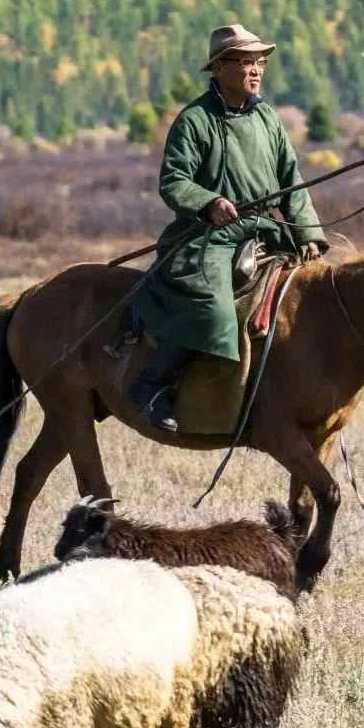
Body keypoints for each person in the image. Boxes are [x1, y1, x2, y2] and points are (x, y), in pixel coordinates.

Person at [131, 23, 328, 433]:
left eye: (260, 62)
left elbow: (291, 179)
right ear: (220, 67)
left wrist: (308, 233)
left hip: (266, 230)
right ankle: (152, 385)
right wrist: (209, 202)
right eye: (245, 61)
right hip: (207, 236)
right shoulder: (195, 120)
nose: (256, 70)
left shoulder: (269, 119)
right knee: (211, 303)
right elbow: (173, 181)